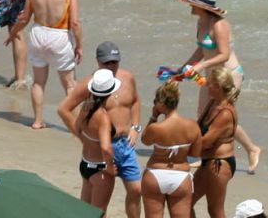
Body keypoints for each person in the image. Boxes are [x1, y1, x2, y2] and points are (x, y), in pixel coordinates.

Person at [177, 0, 262, 172]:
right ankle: (208, 154)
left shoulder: (219, 25)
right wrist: (183, 68)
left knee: (220, 116)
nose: (189, 6)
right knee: (203, 114)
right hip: (211, 75)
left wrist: (200, 67)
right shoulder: (201, 23)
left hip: (229, 76)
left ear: (202, 7)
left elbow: (224, 55)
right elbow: (201, 49)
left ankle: (251, 149)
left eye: (192, 3)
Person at [15, 0, 81, 129]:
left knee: (38, 81)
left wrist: (13, 33)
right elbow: (74, 22)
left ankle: (37, 120)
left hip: (38, 33)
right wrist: (79, 46)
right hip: (59, 35)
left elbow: (24, 18)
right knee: (69, 84)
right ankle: (74, 124)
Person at [91, 40, 144, 216]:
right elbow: (76, 113)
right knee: (102, 198)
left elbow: (135, 101)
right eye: (107, 62)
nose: (111, 65)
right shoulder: (94, 85)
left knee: (136, 190)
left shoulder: (128, 77)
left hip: (126, 145)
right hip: (105, 147)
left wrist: (136, 127)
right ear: (98, 61)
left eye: (115, 61)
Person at [139, 78, 202, 218]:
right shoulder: (192, 126)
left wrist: (154, 116)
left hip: (155, 174)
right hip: (181, 176)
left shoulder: (156, 128)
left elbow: (144, 140)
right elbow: (196, 153)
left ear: (161, 103)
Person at [58, 68, 119, 206]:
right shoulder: (103, 117)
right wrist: (109, 167)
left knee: (85, 212)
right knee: (99, 213)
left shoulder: (86, 107)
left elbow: (77, 127)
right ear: (110, 91)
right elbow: (106, 147)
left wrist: (87, 141)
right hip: (100, 168)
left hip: (85, 164)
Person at [195, 68, 241, 218]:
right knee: (187, 201)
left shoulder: (226, 113)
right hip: (206, 161)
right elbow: (197, 127)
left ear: (219, 87)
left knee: (215, 210)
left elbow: (206, 141)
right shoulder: (213, 102)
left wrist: (179, 152)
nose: (207, 85)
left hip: (219, 164)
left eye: (210, 84)